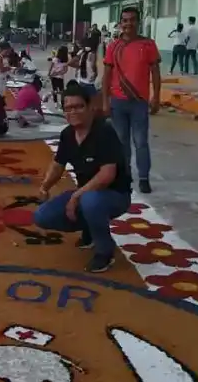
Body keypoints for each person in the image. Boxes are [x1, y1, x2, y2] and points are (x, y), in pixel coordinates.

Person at [34, 83, 131, 273]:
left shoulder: (104, 132)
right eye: (68, 108)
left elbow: (107, 175)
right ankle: (90, 230)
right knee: (42, 216)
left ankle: (104, 251)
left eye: (79, 106)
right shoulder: (68, 135)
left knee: (90, 201)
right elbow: (58, 164)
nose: (73, 112)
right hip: (87, 194)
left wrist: (76, 196)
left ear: (90, 107)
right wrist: (45, 187)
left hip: (115, 195)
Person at [101, 6, 161, 194]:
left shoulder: (148, 45)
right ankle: (124, 176)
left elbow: (156, 73)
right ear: (120, 23)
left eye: (132, 20)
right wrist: (105, 101)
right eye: (125, 20)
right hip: (118, 102)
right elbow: (107, 75)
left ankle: (144, 178)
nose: (128, 24)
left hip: (139, 102)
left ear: (138, 22)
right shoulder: (113, 46)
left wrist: (156, 96)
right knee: (121, 142)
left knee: (141, 141)